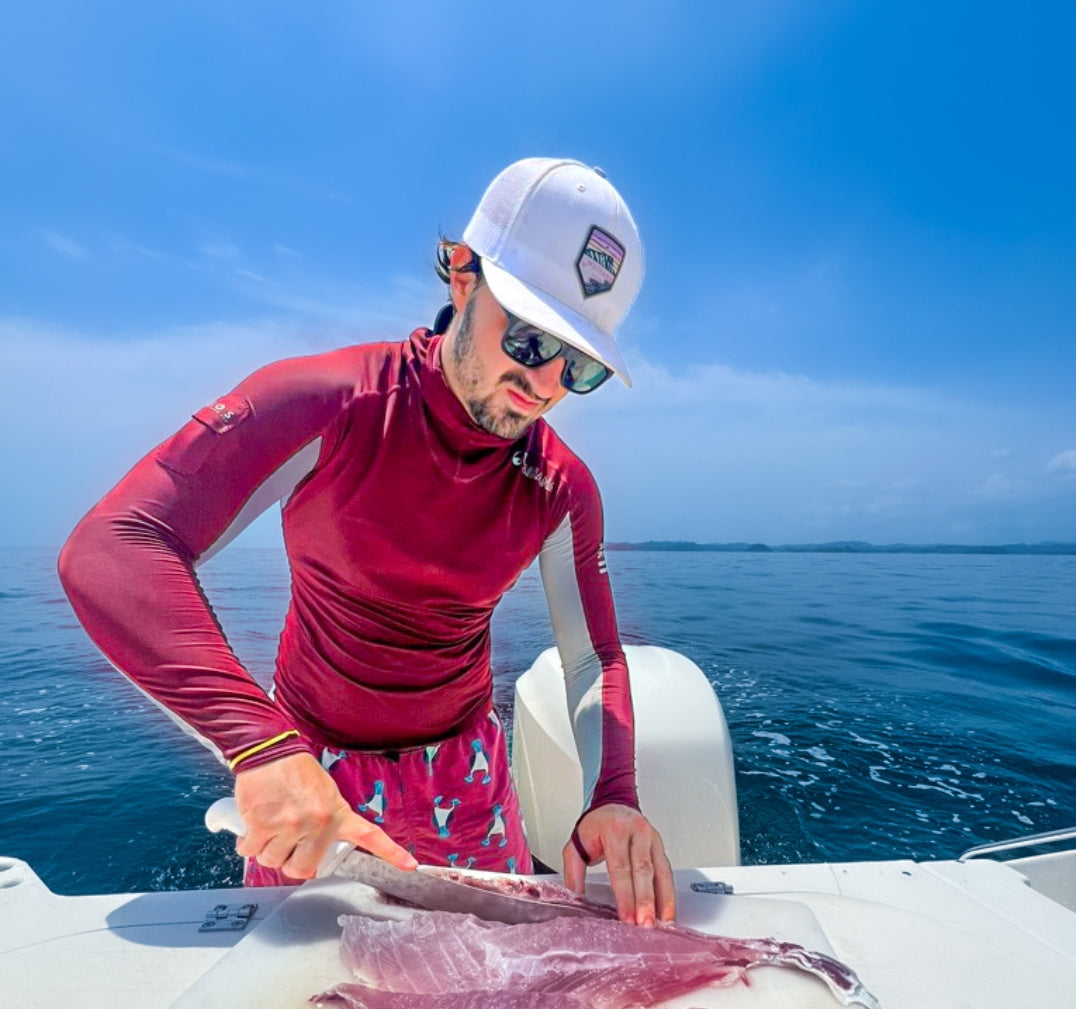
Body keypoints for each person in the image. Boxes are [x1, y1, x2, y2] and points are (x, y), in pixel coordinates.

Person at [59, 157, 676, 924]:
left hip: (469, 774)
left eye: (578, 365)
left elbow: (592, 659)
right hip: (310, 770)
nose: (545, 383)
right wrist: (260, 749)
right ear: (461, 278)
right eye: (525, 339)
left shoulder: (559, 486)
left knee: (500, 1001)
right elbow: (116, 543)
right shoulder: (329, 405)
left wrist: (614, 796)